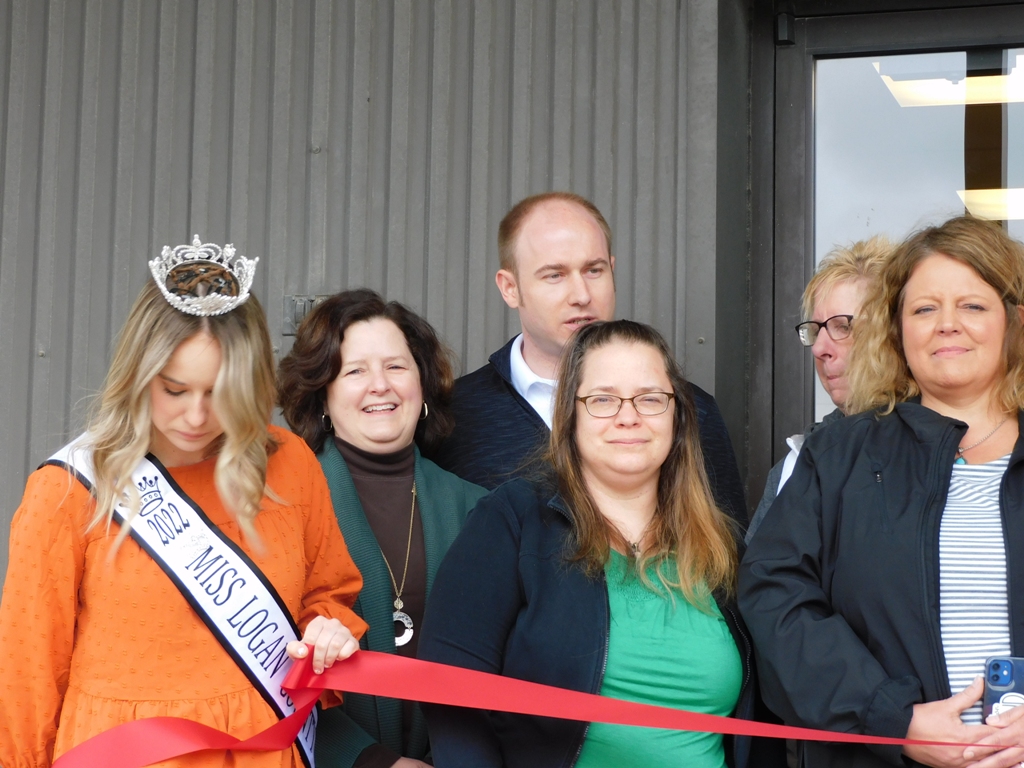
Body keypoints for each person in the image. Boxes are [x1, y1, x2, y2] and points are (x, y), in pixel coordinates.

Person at [0, 236, 367, 768]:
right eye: (174, 390)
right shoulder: (68, 489)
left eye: (220, 392)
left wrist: (328, 631)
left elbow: (329, 593)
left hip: (263, 750)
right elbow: (28, 673)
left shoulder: (289, 463)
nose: (196, 417)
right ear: (136, 373)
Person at [420, 319, 783, 768]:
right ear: (570, 416)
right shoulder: (512, 520)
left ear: (678, 417)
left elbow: (765, 717)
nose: (628, 416)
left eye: (650, 398)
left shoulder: (722, 547)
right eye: (603, 399)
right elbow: (450, 688)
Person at [739, 216, 1024, 768]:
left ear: (1013, 320)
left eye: (972, 305)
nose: (947, 325)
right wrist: (892, 719)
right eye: (924, 309)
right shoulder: (838, 457)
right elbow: (775, 600)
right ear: (895, 329)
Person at [425, 191, 748, 525]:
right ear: (510, 288)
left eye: (594, 270)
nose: (581, 295)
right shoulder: (454, 416)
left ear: (612, 270)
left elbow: (725, 545)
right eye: (555, 275)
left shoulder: (686, 408)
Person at [278, 289, 489, 768]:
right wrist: (371, 762)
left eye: (396, 366)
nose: (380, 385)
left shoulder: (478, 509)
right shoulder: (280, 507)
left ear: (422, 383)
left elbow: (498, 662)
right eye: (354, 371)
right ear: (323, 395)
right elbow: (262, 665)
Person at [746, 236, 890, 541]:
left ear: (894, 333)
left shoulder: (952, 447)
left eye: (844, 327)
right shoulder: (797, 463)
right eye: (815, 330)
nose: (819, 349)